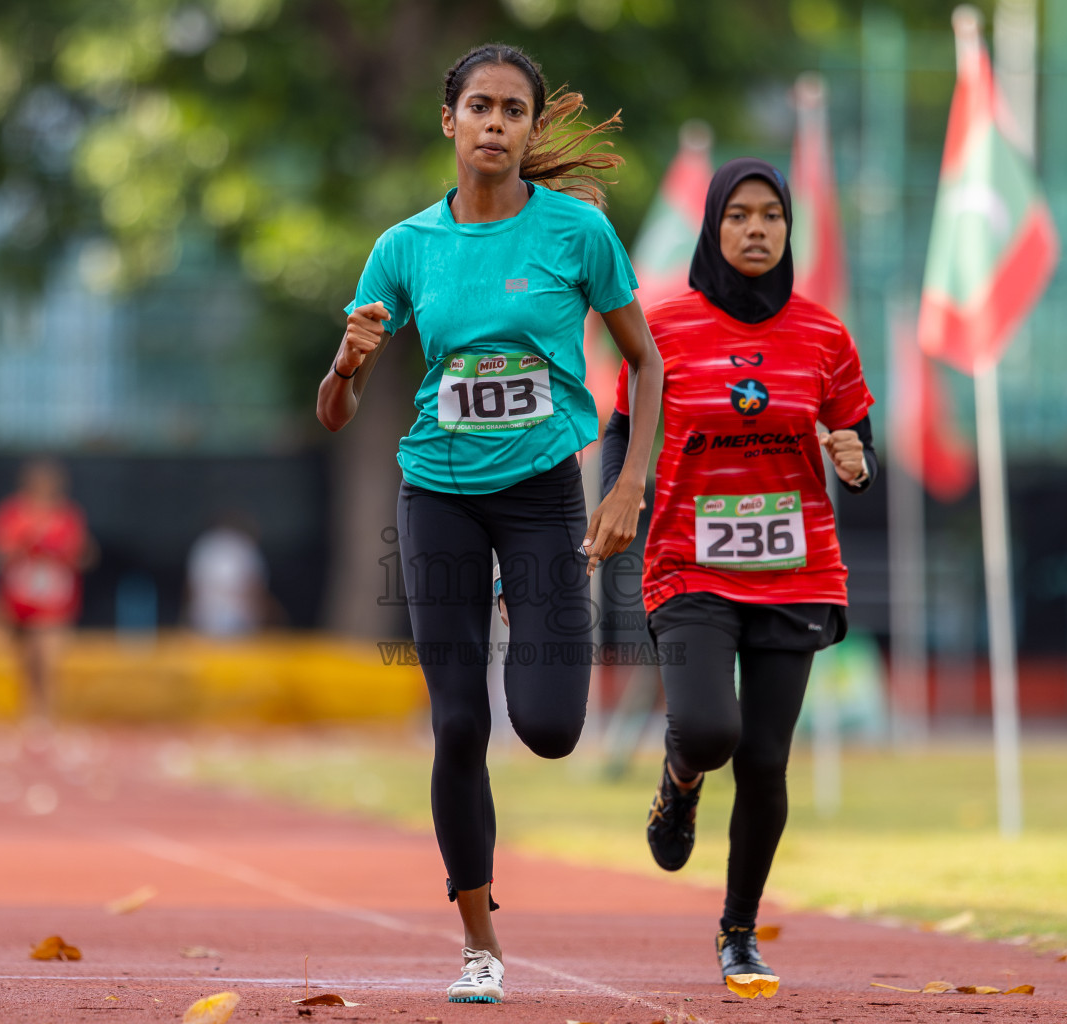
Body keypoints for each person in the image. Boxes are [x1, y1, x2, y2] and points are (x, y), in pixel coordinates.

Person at [316, 43, 662, 1005]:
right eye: (480, 106)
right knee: (459, 720)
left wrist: (629, 481)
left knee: (549, 730)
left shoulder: (577, 236)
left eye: (514, 109)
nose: (496, 123)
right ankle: (479, 942)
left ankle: (525, 593)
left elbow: (648, 362)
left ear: (530, 129)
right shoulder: (405, 248)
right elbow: (335, 413)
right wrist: (347, 364)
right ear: (450, 123)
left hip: (546, 491)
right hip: (438, 494)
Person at [601, 158, 878, 985]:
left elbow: (862, 449)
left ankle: (739, 930)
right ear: (713, 229)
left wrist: (856, 461)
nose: (757, 230)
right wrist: (623, 494)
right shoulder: (662, 329)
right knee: (711, 731)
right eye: (739, 216)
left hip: (797, 571)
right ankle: (679, 779)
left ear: (789, 232)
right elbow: (622, 429)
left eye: (772, 217)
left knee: (764, 759)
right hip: (690, 563)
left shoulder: (826, 336)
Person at [0, 458, 94, 718]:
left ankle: (46, 714)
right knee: (22, 661)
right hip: (18, 598)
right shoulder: (12, 513)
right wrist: (20, 547)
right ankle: (25, 711)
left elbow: (86, 554)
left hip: (53, 600)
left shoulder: (67, 516)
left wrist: (63, 553)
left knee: (46, 657)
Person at [186, 511, 281, 637]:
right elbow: (254, 589)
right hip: (236, 623)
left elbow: (190, 588)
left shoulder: (204, 546)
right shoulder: (242, 546)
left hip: (206, 623)